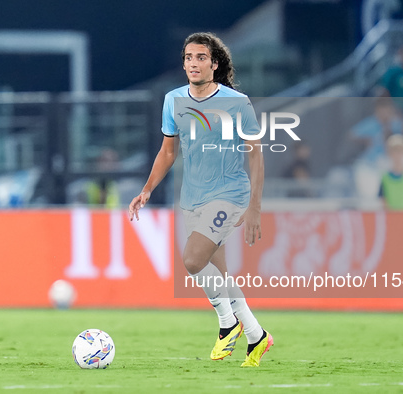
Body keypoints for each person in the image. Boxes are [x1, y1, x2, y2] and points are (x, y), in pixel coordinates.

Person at [128, 32, 272, 367]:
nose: (194, 63)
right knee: (218, 274)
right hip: (192, 197)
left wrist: (254, 208)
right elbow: (168, 151)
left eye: (201, 58)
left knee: (192, 261)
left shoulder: (237, 103)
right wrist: (147, 189)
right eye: (189, 58)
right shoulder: (173, 101)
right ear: (183, 64)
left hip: (229, 194)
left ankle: (227, 324)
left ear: (214, 64)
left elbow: (256, 156)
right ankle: (256, 335)